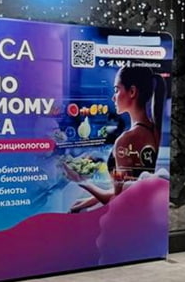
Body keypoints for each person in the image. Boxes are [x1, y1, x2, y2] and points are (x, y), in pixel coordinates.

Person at [65, 65, 166, 211]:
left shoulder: (126, 140)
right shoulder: (154, 130)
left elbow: (119, 198)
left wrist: (82, 182)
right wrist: (85, 203)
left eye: (116, 90)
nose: (113, 97)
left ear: (132, 92)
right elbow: (129, 188)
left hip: (127, 216)